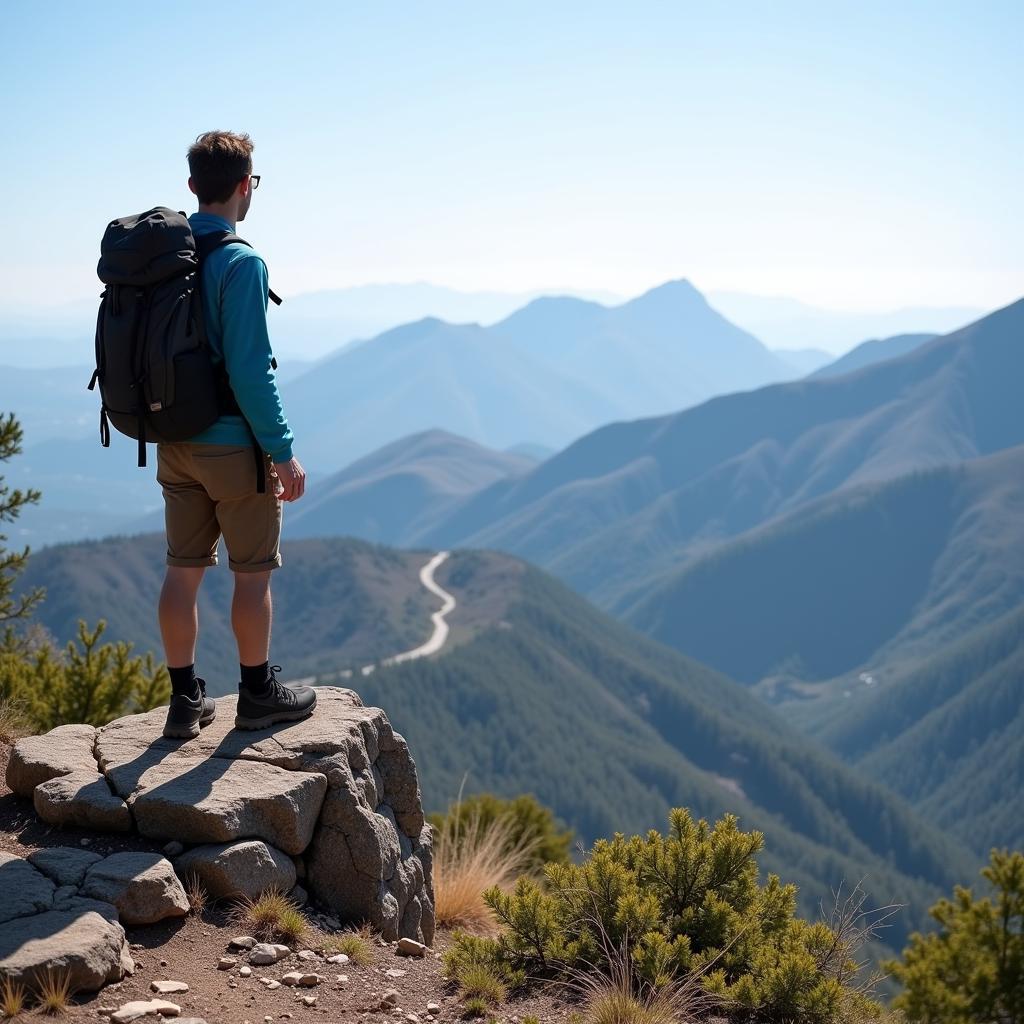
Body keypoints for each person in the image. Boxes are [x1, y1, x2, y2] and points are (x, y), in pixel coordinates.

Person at [157, 130, 317, 740]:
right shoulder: (240, 262)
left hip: (172, 439)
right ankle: (256, 694)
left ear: (194, 186)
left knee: (182, 570)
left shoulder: (166, 257)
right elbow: (252, 372)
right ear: (246, 185)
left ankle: (183, 700)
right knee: (251, 573)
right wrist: (282, 452)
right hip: (231, 446)